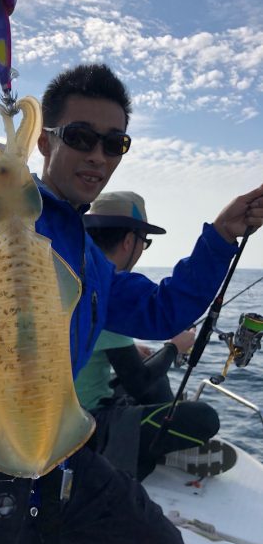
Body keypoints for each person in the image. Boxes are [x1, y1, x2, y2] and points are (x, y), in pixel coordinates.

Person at [0, 0, 263, 544]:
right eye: (82, 137)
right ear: (44, 141)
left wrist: (221, 235)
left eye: (114, 143)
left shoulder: (88, 256)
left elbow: (163, 308)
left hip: (61, 455)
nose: (97, 156)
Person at [76, 191, 234, 482]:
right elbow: (138, 381)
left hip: (61, 411)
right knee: (204, 417)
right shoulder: (110, 291)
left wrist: (133, 347)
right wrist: (174, 348)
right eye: (144, 242)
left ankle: (159, 439)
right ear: (129, 241)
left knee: (156, 372)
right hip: (84, 425)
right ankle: (162, 448)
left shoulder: (76, 275)